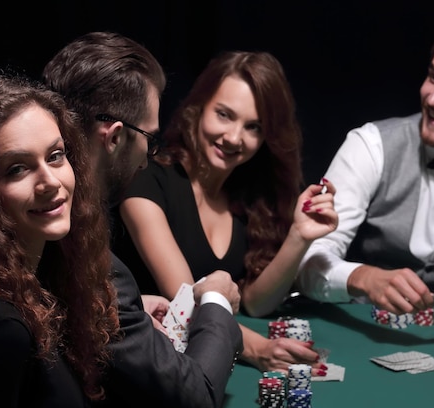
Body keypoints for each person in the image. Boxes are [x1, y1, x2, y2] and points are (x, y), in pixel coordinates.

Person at [0, 73, 323, 408]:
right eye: (16, 169)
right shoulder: (0, 328)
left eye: (55, 156)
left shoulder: (15, 288)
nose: (51, 181)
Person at [41, 32, 243, 408]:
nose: (149, 156)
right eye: (148, 140)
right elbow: (197, 399)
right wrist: (216, 301)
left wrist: (127, 313)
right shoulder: (84, 260)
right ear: (114, 136)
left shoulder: (35, 233)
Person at [115, 50, 338, 373]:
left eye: (253, 127)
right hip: (152, 368)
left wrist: (299, 235)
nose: (234, 137)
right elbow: (187, 299)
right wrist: (259, 348)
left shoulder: (247, 199)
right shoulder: (146, 180)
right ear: (198, 108)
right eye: (224, 114)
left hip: (209, 357)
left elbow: (256, 303)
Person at [295, 18, 434, 345]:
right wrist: (361, 277)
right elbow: (305, 263)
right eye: (433, 78)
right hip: (362, 337)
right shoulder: (370, 145)